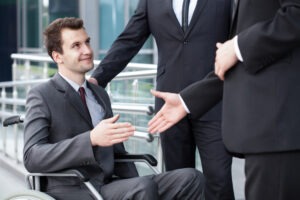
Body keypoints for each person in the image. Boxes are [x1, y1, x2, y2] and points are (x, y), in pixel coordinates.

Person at [23, 17, 205, 200]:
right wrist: (91, 139)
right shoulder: (41, 95)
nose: (87, 50)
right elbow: (32, 157)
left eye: (87, 42)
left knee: (190, 178)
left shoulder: (99, 94)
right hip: (74, 188)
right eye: (76, 46)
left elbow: (118, 153)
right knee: (142, 187)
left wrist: (135, 180)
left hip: (110, 184)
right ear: (57, 56)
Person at [148, 0, 300, 199]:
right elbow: (234, 64)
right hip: (270, 135)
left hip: (279, 131)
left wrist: (238, 46)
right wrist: (187, 101)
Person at [89, 1, 234, 199]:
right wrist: (98, 78)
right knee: (178, 181)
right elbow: (130, 39)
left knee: (219, 179)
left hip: (214, 100)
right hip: (168, 105)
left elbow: (238, 38)